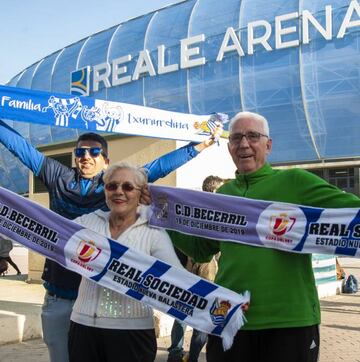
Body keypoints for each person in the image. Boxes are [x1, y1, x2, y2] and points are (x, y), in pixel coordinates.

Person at [0, 118, 221, 362]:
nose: (86, 156)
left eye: (94, 151)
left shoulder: (114, 184)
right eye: (80, 151)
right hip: (59, 296)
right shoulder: (57, 177)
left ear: (105, 160)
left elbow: (159, 166)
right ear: (75, 157)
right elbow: (20, 147)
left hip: (105, 298)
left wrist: (199, 146)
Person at [170, 111, 360, 362]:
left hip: (289, 323)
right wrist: (163, 220)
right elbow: (202, 249)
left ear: (268, 145)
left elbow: (352, 212)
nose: (244, 144)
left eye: (252, 136)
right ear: (229, 148)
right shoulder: (223, 195)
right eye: (236, 138)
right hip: (230, 321)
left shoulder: (296, 181)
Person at [68, 161, 184, 362]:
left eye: (128, 187)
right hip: (83, 327)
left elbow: (178, 278)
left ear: (141, 194)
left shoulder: (153, 232)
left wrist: (221, 301)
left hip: (132, 332)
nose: (118, 192)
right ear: (105, 191)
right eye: (112, 186)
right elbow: (51, 235)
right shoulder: (87, 222)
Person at [167, 175, 224, 362]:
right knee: (199, 313)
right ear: (214, 190)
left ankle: (177, 354)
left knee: (183, 311)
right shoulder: (212, 210)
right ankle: (189, 357)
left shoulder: (194, 207)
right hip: (201, 265)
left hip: (191, 264)